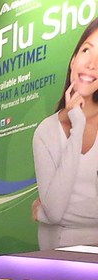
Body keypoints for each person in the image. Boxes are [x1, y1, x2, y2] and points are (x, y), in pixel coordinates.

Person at [33, 19, 98, 250]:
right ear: (73, 60)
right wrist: (77, 127)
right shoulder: (46, 131)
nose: (92, 63)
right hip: (57, 269)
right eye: (86, 50)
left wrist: (44, 212)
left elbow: (54, 213)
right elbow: (57, 211)